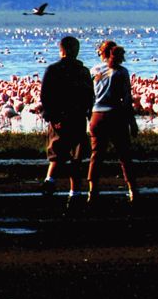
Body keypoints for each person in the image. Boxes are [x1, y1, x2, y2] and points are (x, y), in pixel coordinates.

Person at [39, 35, 95, 208]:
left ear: (60, 50)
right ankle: (74, 193)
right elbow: (89, 96)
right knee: (75, 157)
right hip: (76, 118)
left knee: (57, 153)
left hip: (61, 118)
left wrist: (51, 117)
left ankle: (50, 181)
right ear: (75, 50)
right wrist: (88, 114)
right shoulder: (82, 71)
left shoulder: (53, 70)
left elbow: (45, 95)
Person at [88, 40, 139, 204]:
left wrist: (90, 117)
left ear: (102, 53)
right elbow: (127, 99)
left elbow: (89, 96)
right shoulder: (122, 72)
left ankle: (93, 191)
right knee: (124, 154)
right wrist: (132, 122)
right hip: (116, 115)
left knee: (96, 155)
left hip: (97, 116)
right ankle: (132, 189)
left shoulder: (94, 70)